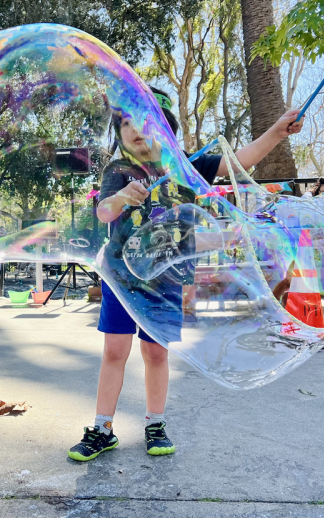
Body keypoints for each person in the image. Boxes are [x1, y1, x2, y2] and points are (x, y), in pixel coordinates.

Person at [67, 87, 304, 462]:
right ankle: (102, 428)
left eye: (146, 121)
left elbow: (238, 160)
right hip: (122, 278)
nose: (136, 130)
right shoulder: (119, 171)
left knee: (156, 353)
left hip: (166, 281)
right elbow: (103, 213)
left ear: (166, 129)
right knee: (114, 351)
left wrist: (276, 131)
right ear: (119, 131)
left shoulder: (187, 167)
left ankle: (155, 423)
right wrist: (122, 197)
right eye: (127, 122)